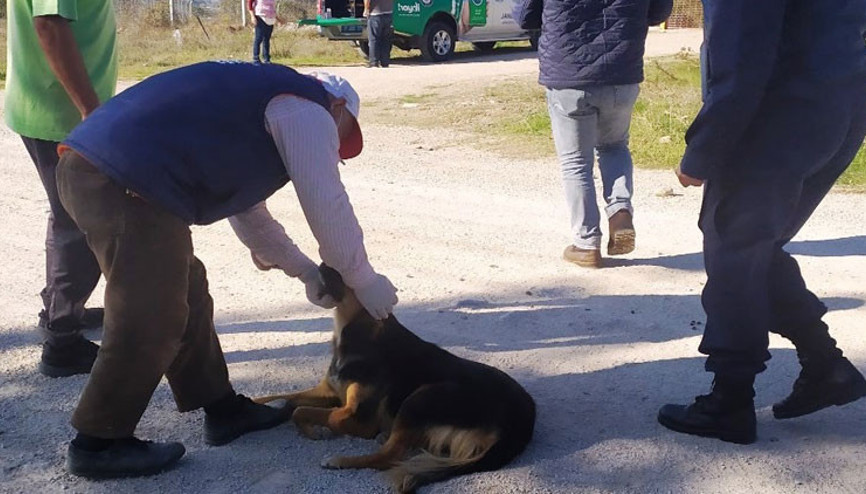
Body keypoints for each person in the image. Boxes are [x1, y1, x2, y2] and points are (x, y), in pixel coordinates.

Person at [54, 61, 399, 477]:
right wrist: (363, 278)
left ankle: (222, 409)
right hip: (117, 176)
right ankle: (97, 443)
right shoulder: (306, 109)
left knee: (187, 289)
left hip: (105, 169)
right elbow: (327, 203)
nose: (336, 147)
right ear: (339, 107)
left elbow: (251, 218)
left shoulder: (260, 106)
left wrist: (307, 272)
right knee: (152, 311)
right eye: (342, 136)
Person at [657, 0, 866, 444]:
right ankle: (825, 365)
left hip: (778, 117)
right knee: (757, 248)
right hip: (838, 110)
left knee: (733, 250)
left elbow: (742, 60)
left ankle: (729, 402)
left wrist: (702, 151)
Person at [4, 0, 117, 377]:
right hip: (63, 112)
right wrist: (90, 110)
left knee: (68, 212)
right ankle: (62, 339)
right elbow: (50, 25)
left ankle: (61, 309)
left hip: (59, 106)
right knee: (80, 220)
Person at [515, 0, 672, 268]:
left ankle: (586, 243)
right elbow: (659, 12)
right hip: (622, 71)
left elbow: (524, 15)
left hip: (569, 73)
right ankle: (620, 210)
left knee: (575, 162)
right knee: (615, 146)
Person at [363, 0, 393, 68]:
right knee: (386, 39)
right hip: (389, 13)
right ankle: (385, 62)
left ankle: (374, 62)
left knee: (374, 39)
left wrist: (366, 9)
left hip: (375, 14)